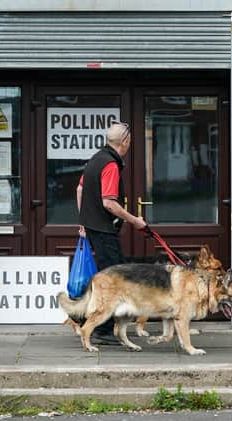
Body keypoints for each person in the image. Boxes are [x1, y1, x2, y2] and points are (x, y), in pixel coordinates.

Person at [76, 121, 147, 345]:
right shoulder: (110, 165)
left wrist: (84, 220)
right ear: (125, 141)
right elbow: (109, 203)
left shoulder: (95, 159)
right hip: (105, 232)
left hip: (95, 229)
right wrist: (135, 220)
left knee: (110, 278)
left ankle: (106, 327)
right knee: (114, 280)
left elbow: (80, 189)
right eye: (130, 140)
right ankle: (103, 330)